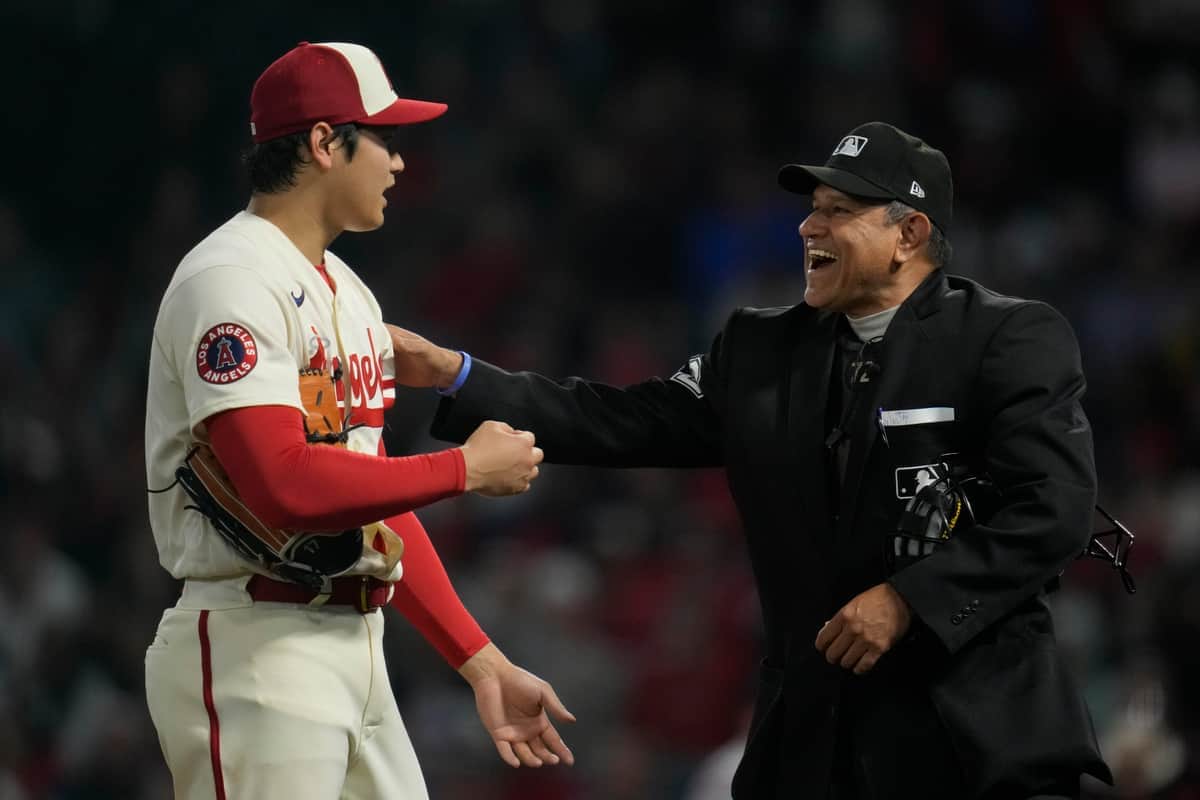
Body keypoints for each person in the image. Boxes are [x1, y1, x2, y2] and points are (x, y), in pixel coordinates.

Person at [387, 121, 1115, 799]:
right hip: (813, 751)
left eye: (839, 210)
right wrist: (456, 373)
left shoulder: (1007, 338)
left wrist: (908, 601)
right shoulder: (763, 349)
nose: (809, 225)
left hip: (976, 743)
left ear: (910, 233)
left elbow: (1054, 509)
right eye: (812, 208)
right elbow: (620, 420)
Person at [143, 41, 575, 800]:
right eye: (385, 139)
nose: (399, 163)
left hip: (356, 646)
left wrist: (481, 661)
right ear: (322, 142)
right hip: (257, 645)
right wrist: (464, 470)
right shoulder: (230, 281)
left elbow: (371, 498)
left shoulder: (348, 291)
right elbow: (282, 483)